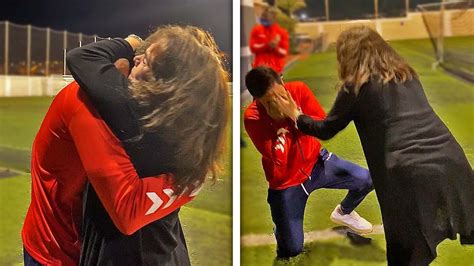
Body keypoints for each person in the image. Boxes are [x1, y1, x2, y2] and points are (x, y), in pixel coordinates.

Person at [22, 25, 229, 265]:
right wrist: (185, 181)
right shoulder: (88, 101)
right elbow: (128, 210)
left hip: (88, 245)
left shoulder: (156, 121)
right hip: (58, 249)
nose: (138, 59)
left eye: (148, 60)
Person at [274, 26, 474, 265]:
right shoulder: (407, 75)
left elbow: (327, 129)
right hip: (452, 161)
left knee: (407, 252)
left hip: (408, 172)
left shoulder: (356, 86)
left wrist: (296, 116)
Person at [243, 66, 374, 258]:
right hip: (287, 183)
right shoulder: (253, 117)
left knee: (368, 179)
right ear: (257, 99)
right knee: (291, 249)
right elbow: (278, 158)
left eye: (279, 94)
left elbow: (322, 124)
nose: (278, 102)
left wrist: (296, 115)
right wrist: (281, 120)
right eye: (269, 101)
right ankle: (282, 226)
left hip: (318, 162)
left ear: (282, 80)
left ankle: (344, 212)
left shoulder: (299, 90)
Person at [249, 7, 289, 74]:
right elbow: (253, 47)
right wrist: (267, 45)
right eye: (263, 18)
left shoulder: (282, 32)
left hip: (276, 71)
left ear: (273, 19)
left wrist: (275, 48)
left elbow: (284, 52)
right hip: (260, 69)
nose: (264, 20)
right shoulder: (256, 30)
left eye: (267, 19)